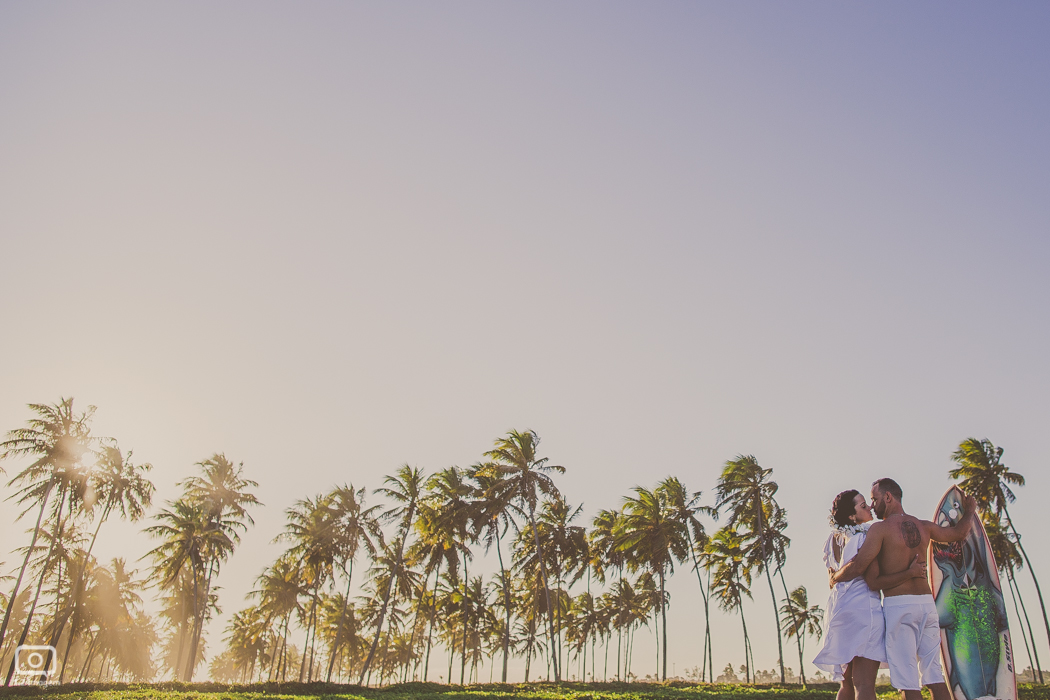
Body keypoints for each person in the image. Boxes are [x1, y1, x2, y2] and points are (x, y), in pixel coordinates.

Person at [832, 478, 976, 700]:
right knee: (934, 676)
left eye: (874, 499)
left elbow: (861, 569)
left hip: (900, 608)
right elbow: (958, 534)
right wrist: (970, 510)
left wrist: (835, 577)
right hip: (927, 607)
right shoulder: (924, 526)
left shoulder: (880, 530)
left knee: (908, 682)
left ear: (888, 497)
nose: (872, 506)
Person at [815, 489, 927, 700]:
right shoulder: (864, 537)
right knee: (864, 685)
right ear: (852, 516)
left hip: (839, 611)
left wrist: (835, 577)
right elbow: (865, 572)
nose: (870, 508)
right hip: (864, 611)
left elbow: (831, 574)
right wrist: (910, 572)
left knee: (846, 685)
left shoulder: (832, 540)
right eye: (863, 506)